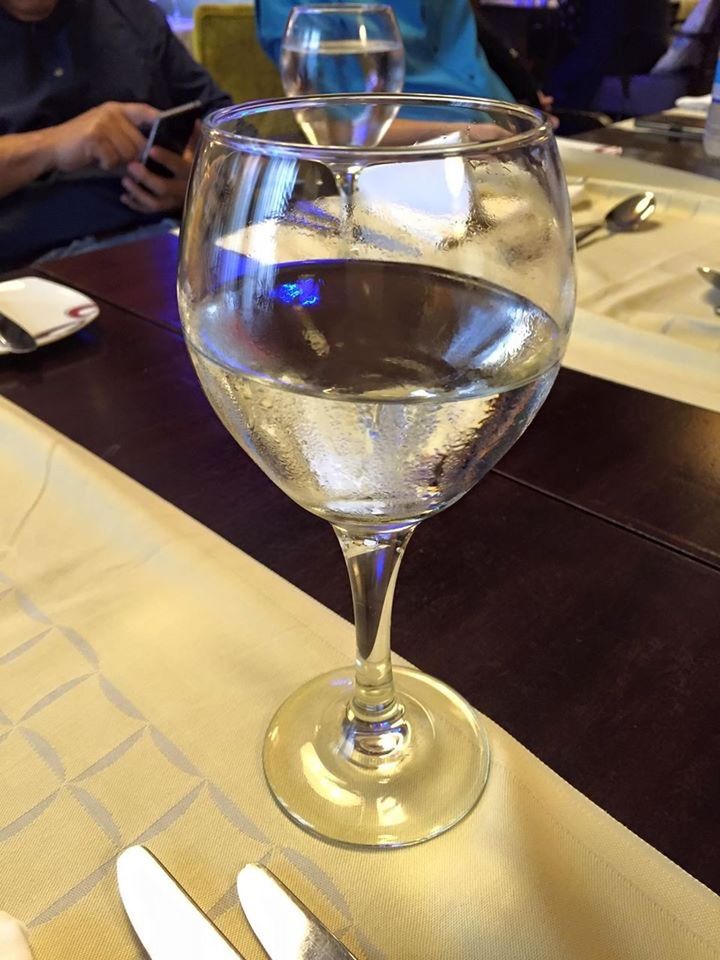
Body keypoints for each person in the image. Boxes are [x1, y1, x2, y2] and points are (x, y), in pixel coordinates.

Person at [0, 0, 231, 268]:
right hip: (26, 268)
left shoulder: (130, 13)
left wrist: (202, 185)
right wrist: (53, 146)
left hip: (167, 242)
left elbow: (228, 124)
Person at [255, 0, 514, 102]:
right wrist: (473, 136)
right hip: (402, 167)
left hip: (505, 140)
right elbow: (340, 124)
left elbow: (475, 68)